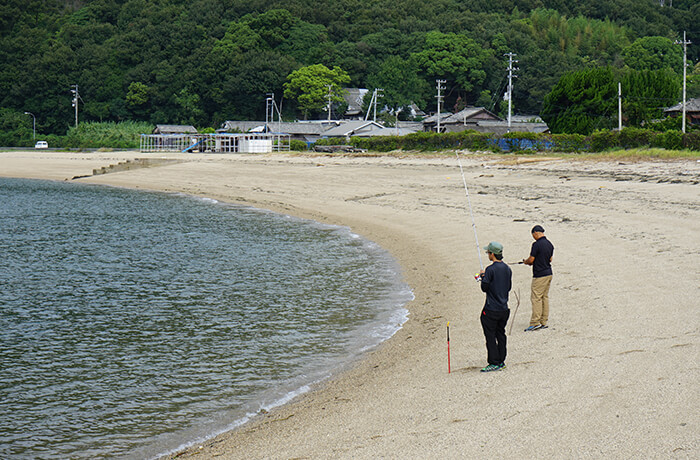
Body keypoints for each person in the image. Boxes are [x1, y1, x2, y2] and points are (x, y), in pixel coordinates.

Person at [478, 241, 512, 372]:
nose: (488, 255)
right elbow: (508, 287)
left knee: (490, 336)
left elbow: (484, 288)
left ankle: (494, 362)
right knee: (500, 334)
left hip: (492, 309)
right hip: (504, 308)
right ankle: (501, 360)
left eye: (488, 253)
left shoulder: (490, 269)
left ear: (492, 254)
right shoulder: (507, 268)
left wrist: (483, 276)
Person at [522, 225, 554, 331]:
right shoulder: (550, 244)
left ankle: (535, 322)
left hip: (540, 274)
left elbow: (531, 260)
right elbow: (550, 259)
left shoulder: (536, 245)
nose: (533, 237)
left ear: (535, 233)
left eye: (533, 235)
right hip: (549, 273)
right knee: (544, 297)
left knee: (536, 298)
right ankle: (543, 321)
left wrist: (526, 262)